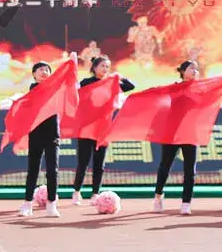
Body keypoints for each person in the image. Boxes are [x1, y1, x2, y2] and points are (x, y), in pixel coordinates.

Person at [71, 55, 135, 205]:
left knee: (99, 164)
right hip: (86, 127)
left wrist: (120, 77)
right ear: (94, 68)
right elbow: (74, 93)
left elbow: (131, 86)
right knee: (83, 162)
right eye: (102, 66)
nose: (105, 69)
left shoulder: (111, 83)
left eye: (107, 67)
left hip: (103, 128)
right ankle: (76, 192)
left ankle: (95, 194)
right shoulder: (86, 83)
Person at [152, 61, 201, 215]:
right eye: (191, 68)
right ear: (183, 71)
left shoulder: (200, 89)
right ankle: (158, 195)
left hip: (190, 131)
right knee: (165, 166)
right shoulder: (174, 88)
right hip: (172, 131)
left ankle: (186, 203)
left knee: (190, 169)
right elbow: (160, 97)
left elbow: (215, 89)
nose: (195, 71)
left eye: (196, 69)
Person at [19, 62, 61, 218]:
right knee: (33, 170)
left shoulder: (55, 88)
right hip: (36, 134)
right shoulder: (33, 89)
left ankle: (52, 204)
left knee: (52, 171)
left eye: (47, 70)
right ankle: (27, 204)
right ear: (34, 74)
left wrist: (73, 65)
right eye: (41, 70)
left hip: (52, 135)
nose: (44, 72)